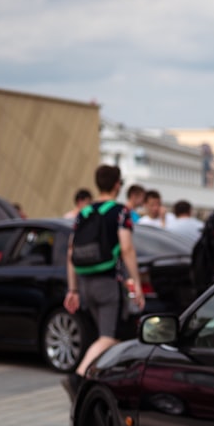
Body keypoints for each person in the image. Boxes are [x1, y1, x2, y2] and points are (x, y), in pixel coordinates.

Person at [64, 164, 144, 393]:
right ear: (118, 185)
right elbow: (127, 249)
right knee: (110, 337)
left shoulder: (84, 213)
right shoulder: (120, 212)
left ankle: (100, 383)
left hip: (86, 283)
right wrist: (136, 283)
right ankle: (78, 378)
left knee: (105, 337)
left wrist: (73, 289)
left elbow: (70, 252)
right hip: (108, 283)